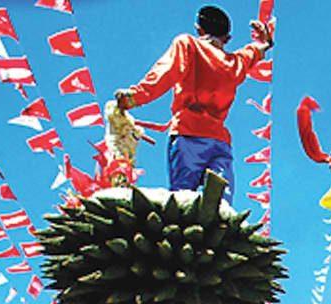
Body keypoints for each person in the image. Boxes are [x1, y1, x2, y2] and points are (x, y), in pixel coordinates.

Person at [116, 5, 274, 198]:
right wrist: (264, 43)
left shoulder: (188, 44)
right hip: (220, 141)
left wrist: (133, 97)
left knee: (183, 199)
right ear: (227, 38)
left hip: (187, 134)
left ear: (199, 29)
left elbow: (164, 73)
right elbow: (254, 52)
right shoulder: (235, 63)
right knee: (221, 203)